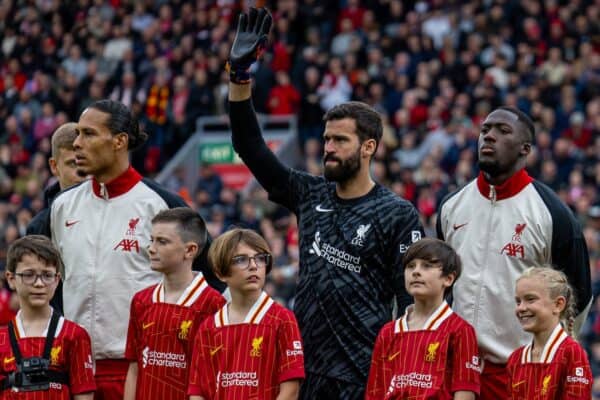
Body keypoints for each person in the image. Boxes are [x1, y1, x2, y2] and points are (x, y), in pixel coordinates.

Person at [227, 8, 424, 398]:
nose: (328, 148)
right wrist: (239, 79)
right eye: (327, 139)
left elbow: (412, 304)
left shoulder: (398, 214)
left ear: (368, 148)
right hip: (303, 372)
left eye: (340, 141)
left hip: (365, 375)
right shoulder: (310, 193)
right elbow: (249, 146)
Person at [36, 99, 222, 400]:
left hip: (143, 369)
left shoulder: (162, 205)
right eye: (78, 134)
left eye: (89, 134)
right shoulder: (61, 207)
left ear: (120, 141)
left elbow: (213, 281)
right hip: (73, 367)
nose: (78, 143)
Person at [436, 106, 592, 399]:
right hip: (455, 371)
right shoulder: (451, 206)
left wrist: (549, 358)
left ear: (525, 149)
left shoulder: (553, 214)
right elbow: (442, 287)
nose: (489, 137)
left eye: (502, 131)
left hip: (517, 374)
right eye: (485, 130)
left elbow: (578, 295)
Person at [188, 228, 305, 400]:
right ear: (221, 273)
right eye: (241, 260)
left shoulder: (283, 319)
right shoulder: (209, 327)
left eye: (260, 258)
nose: (253, 265)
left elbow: (290, 391)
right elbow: (198, 392)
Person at [123, 208, 225, 400]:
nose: (152, 248)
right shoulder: (141, 300)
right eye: (152, 240)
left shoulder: (214, 304)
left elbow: (217, 375)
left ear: (190, 250)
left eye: (162, 242)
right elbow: (134, 367)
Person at [366, 238, 480, 400]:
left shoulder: (461, 330)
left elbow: (465, 393)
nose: (416, 272)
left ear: (448, 279)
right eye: (410, 266)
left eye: (427, 265)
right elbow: (374, 392)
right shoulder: (388, 332)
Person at [0, 235, 96, 398]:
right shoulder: (2, 338)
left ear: (57, 280)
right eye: (29, 275)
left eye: (47, 275)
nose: (39, 283)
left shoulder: (75, 335)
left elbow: (84, 396)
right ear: (11, 279)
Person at [507, 267, 592, 399]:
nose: (521, 308)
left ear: (558, 304)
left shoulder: (572, 353)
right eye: (518, 301)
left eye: (530, 299)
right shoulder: (515, 358)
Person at [27, 122, 87, 235]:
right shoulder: (39, 228)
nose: (82, 172)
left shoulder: (109, 213)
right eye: (73, 164)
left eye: (86, 162)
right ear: (54, 166)